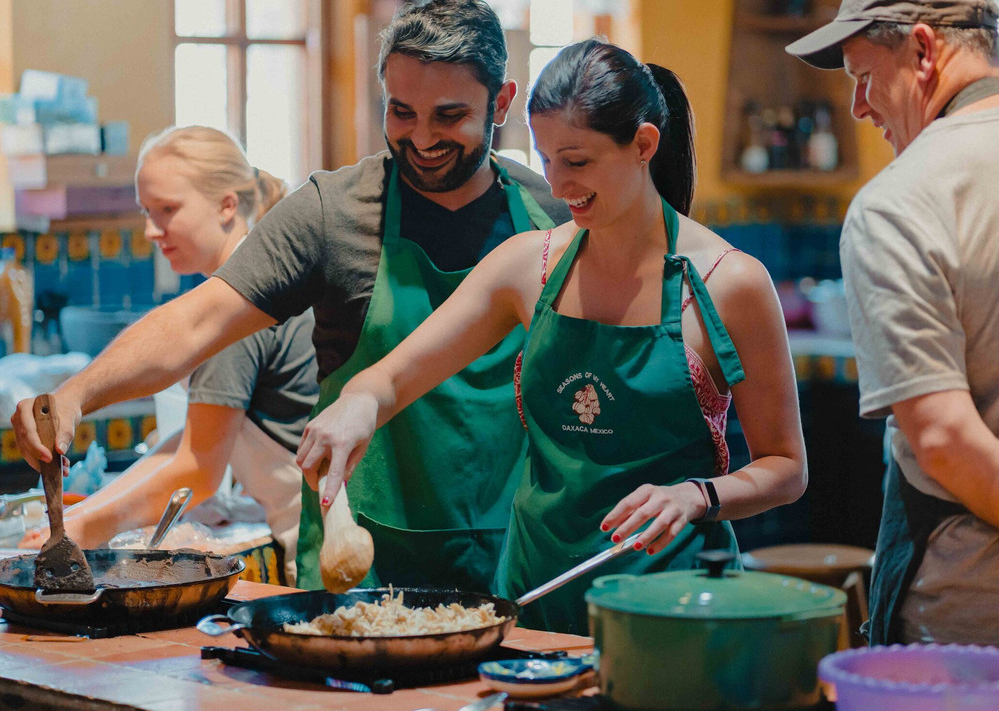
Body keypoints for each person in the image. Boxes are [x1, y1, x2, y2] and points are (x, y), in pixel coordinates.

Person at [11, 0, 568, 593]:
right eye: (401, 111)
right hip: (360, 564)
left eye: (449, 115)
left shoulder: (551, 218)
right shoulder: (333, 214)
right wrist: (76, 395)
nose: (422, 137)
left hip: (519, 559)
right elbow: (196, 323)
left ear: (502, 102)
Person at [297, 38, 807, 634]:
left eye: (578, 161)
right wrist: (357, 404)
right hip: (537, 597)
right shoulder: (527, 268)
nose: (559, 186)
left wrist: (698, 495)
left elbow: (786, 468)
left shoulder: (730, 283)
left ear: (643, 145)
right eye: (545, 160)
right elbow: (394, 375)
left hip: (672, 608)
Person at [786, 0, 999, 650]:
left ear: (922, 50)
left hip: (980, 633)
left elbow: (945, 440)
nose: (858, 108)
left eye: (863, 77)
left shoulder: (897, 203)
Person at [20, 126, 317, 584]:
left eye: (167, 210)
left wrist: (83, 530)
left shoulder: (240, 308)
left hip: (320, 544)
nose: (150, 230)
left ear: (227, 205)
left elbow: (199, 469)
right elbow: (192, 440)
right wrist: (79, 514)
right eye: (146, 211)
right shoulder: (248, 282)